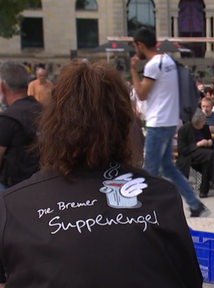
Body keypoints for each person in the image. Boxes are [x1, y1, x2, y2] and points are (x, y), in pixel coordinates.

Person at [0, 61, 203, 287]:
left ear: (53, 123)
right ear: (125, 124)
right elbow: (190, 280)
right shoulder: (162, 196)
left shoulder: (13, 205)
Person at [130, 27, 209, 217]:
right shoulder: (169, 61)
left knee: (149, 171)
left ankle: (147, 211)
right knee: (167, 167)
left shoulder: (152, 65)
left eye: (135, 46)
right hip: (170, 120)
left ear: (140, 45)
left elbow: (141, 93)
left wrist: (133, 70)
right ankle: (195, 204)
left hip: (157, 123)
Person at [0, 61, 42, 191]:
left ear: (2, 86)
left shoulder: (8, 119)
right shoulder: (45, 111)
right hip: (42, 182)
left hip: (14, 187)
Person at [176, 109, 214, 198]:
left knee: (208, 161)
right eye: (202, 122)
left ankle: (204, 191)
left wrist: (209, 142)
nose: (204, 123)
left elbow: (210, 142)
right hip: (190, 154)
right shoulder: (184, 129)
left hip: (204, 153)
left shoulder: (205, 127)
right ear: (196, 122)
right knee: (211, 155)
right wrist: (197, 145)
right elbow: (182, 149)